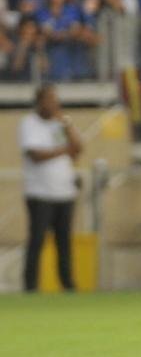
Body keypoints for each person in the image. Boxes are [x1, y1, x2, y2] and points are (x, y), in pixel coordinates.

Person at [20, 83, 83, 292]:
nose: (53, 103)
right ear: (39, 102)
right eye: (49, 99)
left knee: (64, 242)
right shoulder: (29, 123)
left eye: (55, 99)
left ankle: (67, 284)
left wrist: (67, 125)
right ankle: (31, 286)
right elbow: (35, 155)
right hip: (39, 193)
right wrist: (64, 149)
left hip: (64, 192)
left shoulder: (61, 124)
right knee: (37, 241)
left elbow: (78, 149)